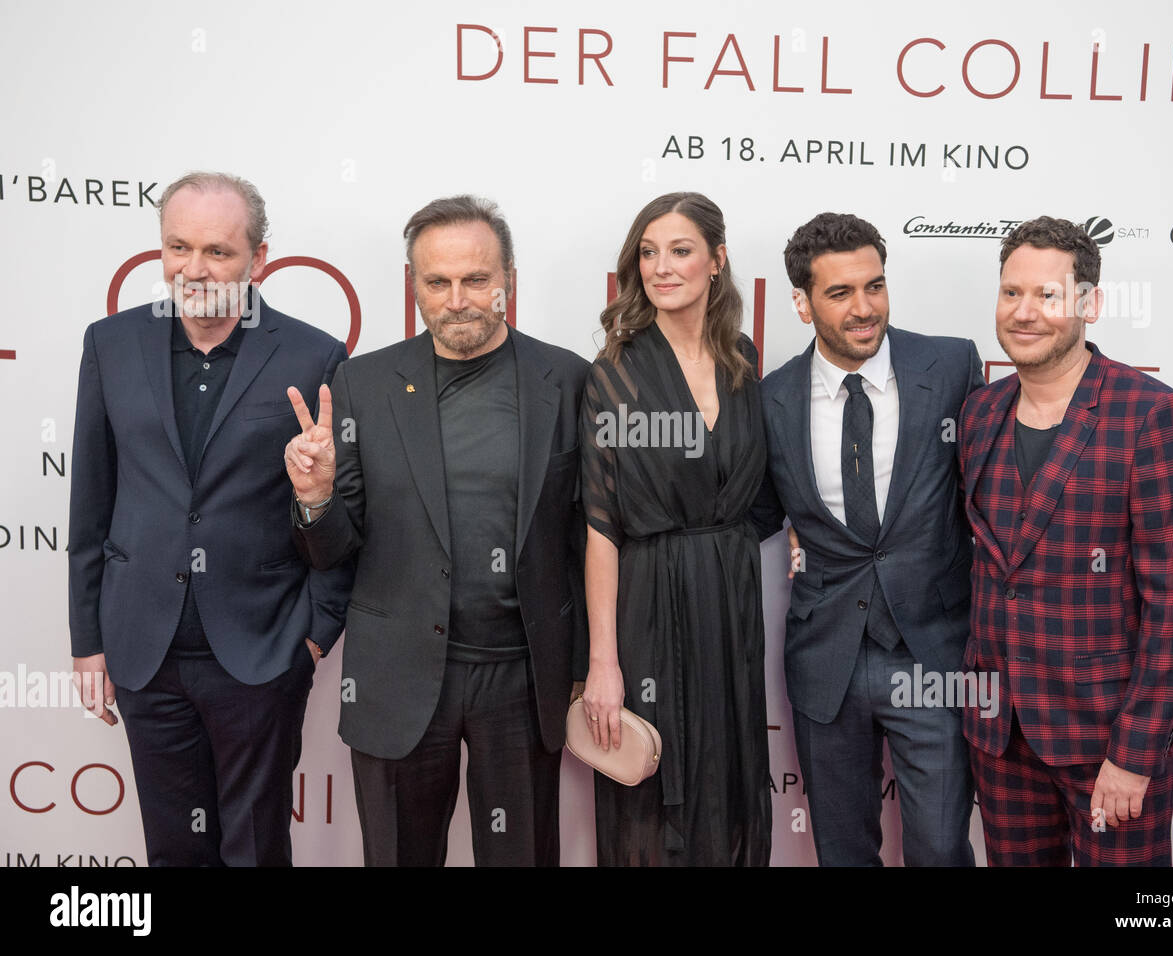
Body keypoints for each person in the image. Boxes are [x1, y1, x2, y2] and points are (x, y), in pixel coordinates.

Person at [287, 195, 589, 866]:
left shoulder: (566, 380)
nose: (457, 300)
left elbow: (584, 539)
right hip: (397, 676)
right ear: (413, 284)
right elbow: (332, 549)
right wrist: (315, 498)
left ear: (507, 278)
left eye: (476, 280)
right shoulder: (363, 384)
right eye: (437, 282)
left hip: (522, 677)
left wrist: (588, 665)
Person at [67, 171, 352, 865]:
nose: (194, 269)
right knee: (172, 851)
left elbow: (338, 519)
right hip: (143, 650)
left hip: (259, 652)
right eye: (177, 247)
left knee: (254, 848)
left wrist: (312, 638)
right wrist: (87, 639)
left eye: (218, 251)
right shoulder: (111, 344)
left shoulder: (314, 354)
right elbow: (90, 501)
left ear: (259, 258)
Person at [959, 216, 1173, 866]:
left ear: (1089, 304)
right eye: (1012, 293)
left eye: (1047, 295)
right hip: (1000, 736)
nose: (1025, 312)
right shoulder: (981, 413)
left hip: (1106, 738)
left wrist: (1134, 752)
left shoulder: (1151, 416)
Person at [749, 212, 984, 866]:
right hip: (827, 658)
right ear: (802, 302)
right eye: (840, 293)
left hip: (931, 654)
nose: (864, 308)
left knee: (940, 848)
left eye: (874, 286)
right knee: (842, 850)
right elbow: (756, 514)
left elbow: (988, 498)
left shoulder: (952, 364)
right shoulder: (772, 401)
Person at [580, 191, 771, 866]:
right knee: (655, 793)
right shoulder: (619, 370)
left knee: (732, 774)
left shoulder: (743, 358)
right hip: (649, 603)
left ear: (717, 261)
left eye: (681, 250)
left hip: (731, 600)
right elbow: (601, 524)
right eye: (649, 252)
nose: (662, 267)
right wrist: (603, 661)